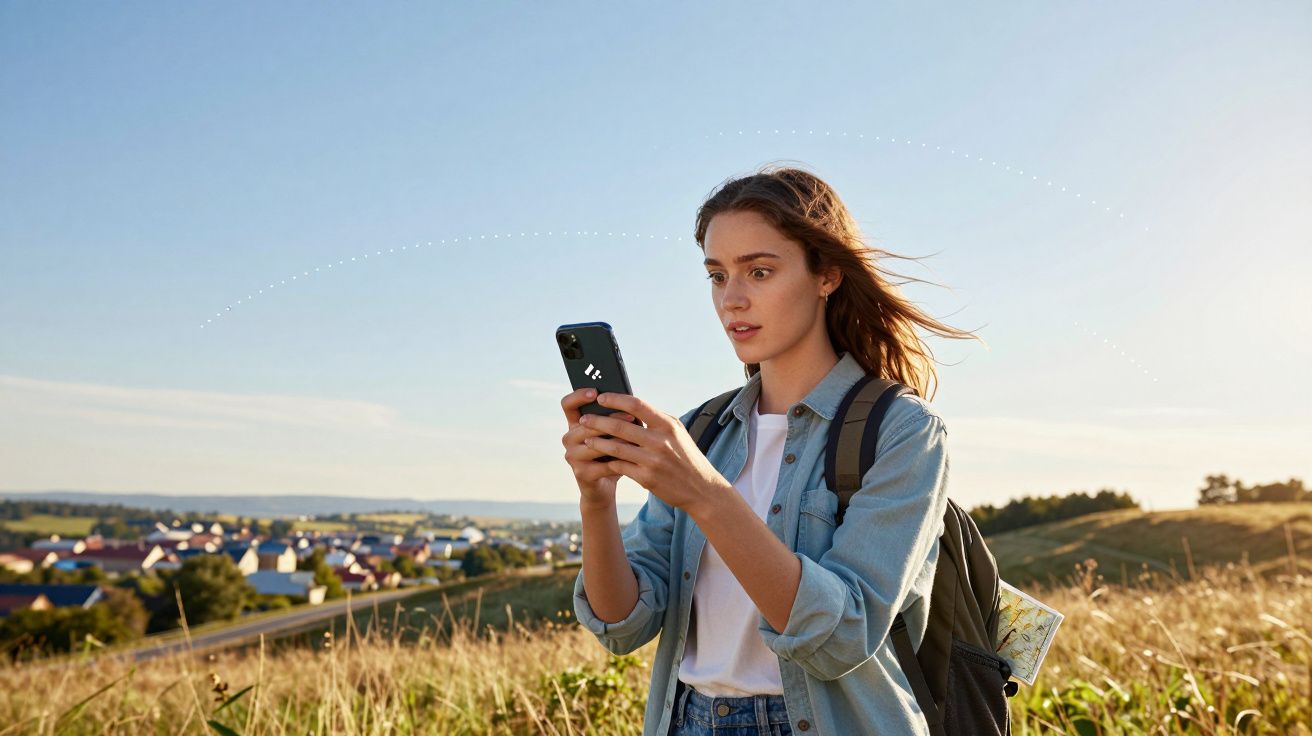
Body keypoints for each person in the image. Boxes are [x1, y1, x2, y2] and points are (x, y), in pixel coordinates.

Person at [559, 165, 982, 735]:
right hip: (685, 718)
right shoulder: (703, 431)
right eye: (716, 275)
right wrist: (596, 500)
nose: (732, 299)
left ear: (826, 274)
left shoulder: (903, 432)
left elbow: (841, 638)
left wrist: (707, 495)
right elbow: (623, 624)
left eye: (759, 271)